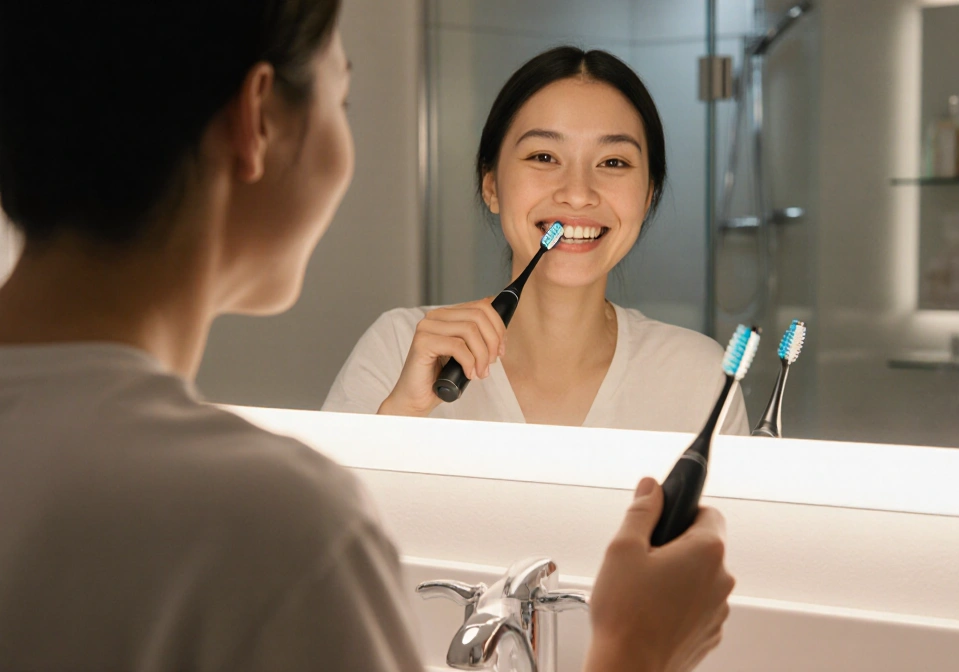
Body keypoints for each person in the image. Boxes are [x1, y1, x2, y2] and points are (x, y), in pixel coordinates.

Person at [0, 2, 734, 671]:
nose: (578, 189)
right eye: (342, 100)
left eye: (613, 162)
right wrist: (635, 652)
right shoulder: (275, 527)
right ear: (258, 118)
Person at [322, 47, 750, 435]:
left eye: (614, 161)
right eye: (544, 157)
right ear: (491, 185)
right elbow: (318, 521)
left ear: (648, 195)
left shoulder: (700, 376)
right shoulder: (399, 347)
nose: (578, 193)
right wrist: (402, 413)